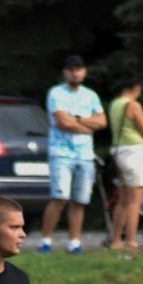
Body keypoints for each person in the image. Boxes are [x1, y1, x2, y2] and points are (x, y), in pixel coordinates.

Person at [39, 55, 106, 255]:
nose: (75, 73)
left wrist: (76, 119)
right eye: (71, 69)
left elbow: (102, 122)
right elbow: (62, 122)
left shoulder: (91, 95)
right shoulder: (56, 93)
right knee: (60, 198)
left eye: (79, 69)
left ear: (84, 71)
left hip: (85, 155)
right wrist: (86, 125)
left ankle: (74, 242)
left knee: (80, 201)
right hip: (62, 153)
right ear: (65, 72)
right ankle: (45, 240)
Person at [107, 75, 143, 256]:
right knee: (135, 201)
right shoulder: (133, 105)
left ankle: (116, 239)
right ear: (136, 87)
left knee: (123, 200)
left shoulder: (114, 104)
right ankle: (131, 241)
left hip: (119, 152)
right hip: (135, 152)